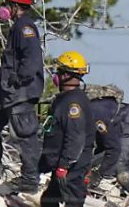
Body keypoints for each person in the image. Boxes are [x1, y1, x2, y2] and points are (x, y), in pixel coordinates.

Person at [0, 0, 44, 192]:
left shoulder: (24, 27)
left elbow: (33, 60)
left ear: (14, 5)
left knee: (25, 135)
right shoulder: (18, 27)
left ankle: (30, 181)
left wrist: (18, 78)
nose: (3, 7)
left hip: (20, 93)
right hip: (7, 92)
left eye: (6, 2)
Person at [39, 52, 94, 207]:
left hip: (72, 167)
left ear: (65, 75)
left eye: (58, 71)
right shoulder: (66, 99)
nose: (55, 75)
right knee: (49, 200)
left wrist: (64, 166)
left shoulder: (73, 104)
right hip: (64, 165)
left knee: (72, 202)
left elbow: (76, 138)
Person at [88, 85, 129, 192]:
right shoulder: (94, 110)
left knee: (122, 171)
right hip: (123, 130)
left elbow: (113, 148)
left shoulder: (96, 113)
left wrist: (99, 174)